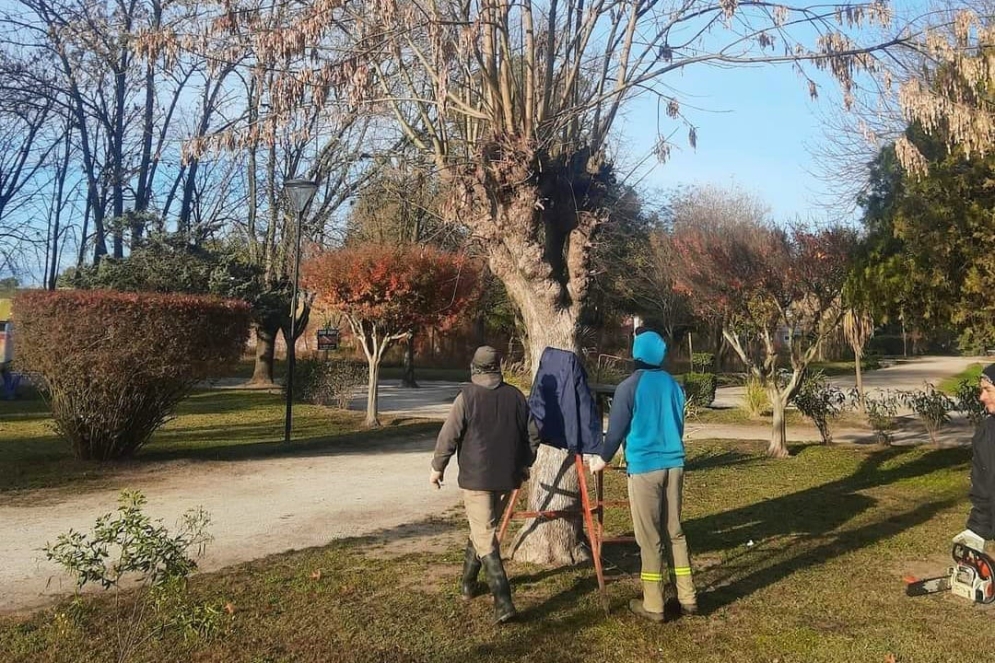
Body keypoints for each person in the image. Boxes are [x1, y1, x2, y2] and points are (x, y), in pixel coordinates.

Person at [588, 329, 697, 622]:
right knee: (674, 531)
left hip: (645, 468)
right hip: (675, 465)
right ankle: (687, 597)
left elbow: (616, 431)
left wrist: (601, 459)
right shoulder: (674, 386)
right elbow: (678, 424)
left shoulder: (629, 387)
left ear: (636, 354)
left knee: (649, 538)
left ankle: (654, 604)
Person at [429, 346, 540, 623]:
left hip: (476, 479)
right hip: (507, 477)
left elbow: (448, 436)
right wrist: (525, 462)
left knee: (485, 535)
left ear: (474, 368)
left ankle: (503, 601)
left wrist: (437, 467)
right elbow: (533, 435)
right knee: (482, 529)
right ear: (498, 367)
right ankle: (468, 584)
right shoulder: (516, 396)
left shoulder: (466, 397)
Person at [967, 363, 995, 556]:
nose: (982, 397)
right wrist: (976, 534)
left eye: (988, 390)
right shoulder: (985, 433)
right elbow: (983, 491)